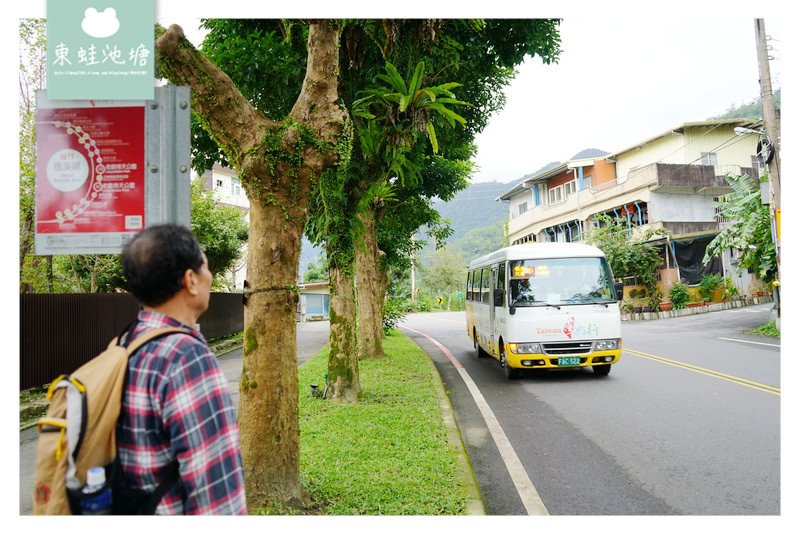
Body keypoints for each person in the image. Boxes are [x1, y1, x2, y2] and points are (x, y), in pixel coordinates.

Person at [119, 224, 247, 514]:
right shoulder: (187, 359)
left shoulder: (125, 344)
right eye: (205, 266)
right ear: (190, 280)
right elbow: (216, 496)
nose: (210, 276)